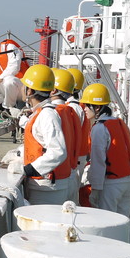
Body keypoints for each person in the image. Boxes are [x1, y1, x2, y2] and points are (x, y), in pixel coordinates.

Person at [6, 65, 72, 205]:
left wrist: (27, 169)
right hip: (44, 183)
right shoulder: (42, 112)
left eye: (23, 86)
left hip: (47, 186)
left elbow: (58, 151)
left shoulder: (47, 114)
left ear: (30, 91)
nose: (21, 89)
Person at [81, 83, 130, 217]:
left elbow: (98, 161)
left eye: (87, 105)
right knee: (124, 220)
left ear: (97, 107)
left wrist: (95, 188)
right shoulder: (119, 122)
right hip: (127, 180)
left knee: (108, 221)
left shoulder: (99, 128)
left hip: (111, 184)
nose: (84, 109)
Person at [50, 68, 82, 201]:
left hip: (60, 173)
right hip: (70, 167)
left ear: (54, 90)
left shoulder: (57, 111)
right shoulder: (72, 109)